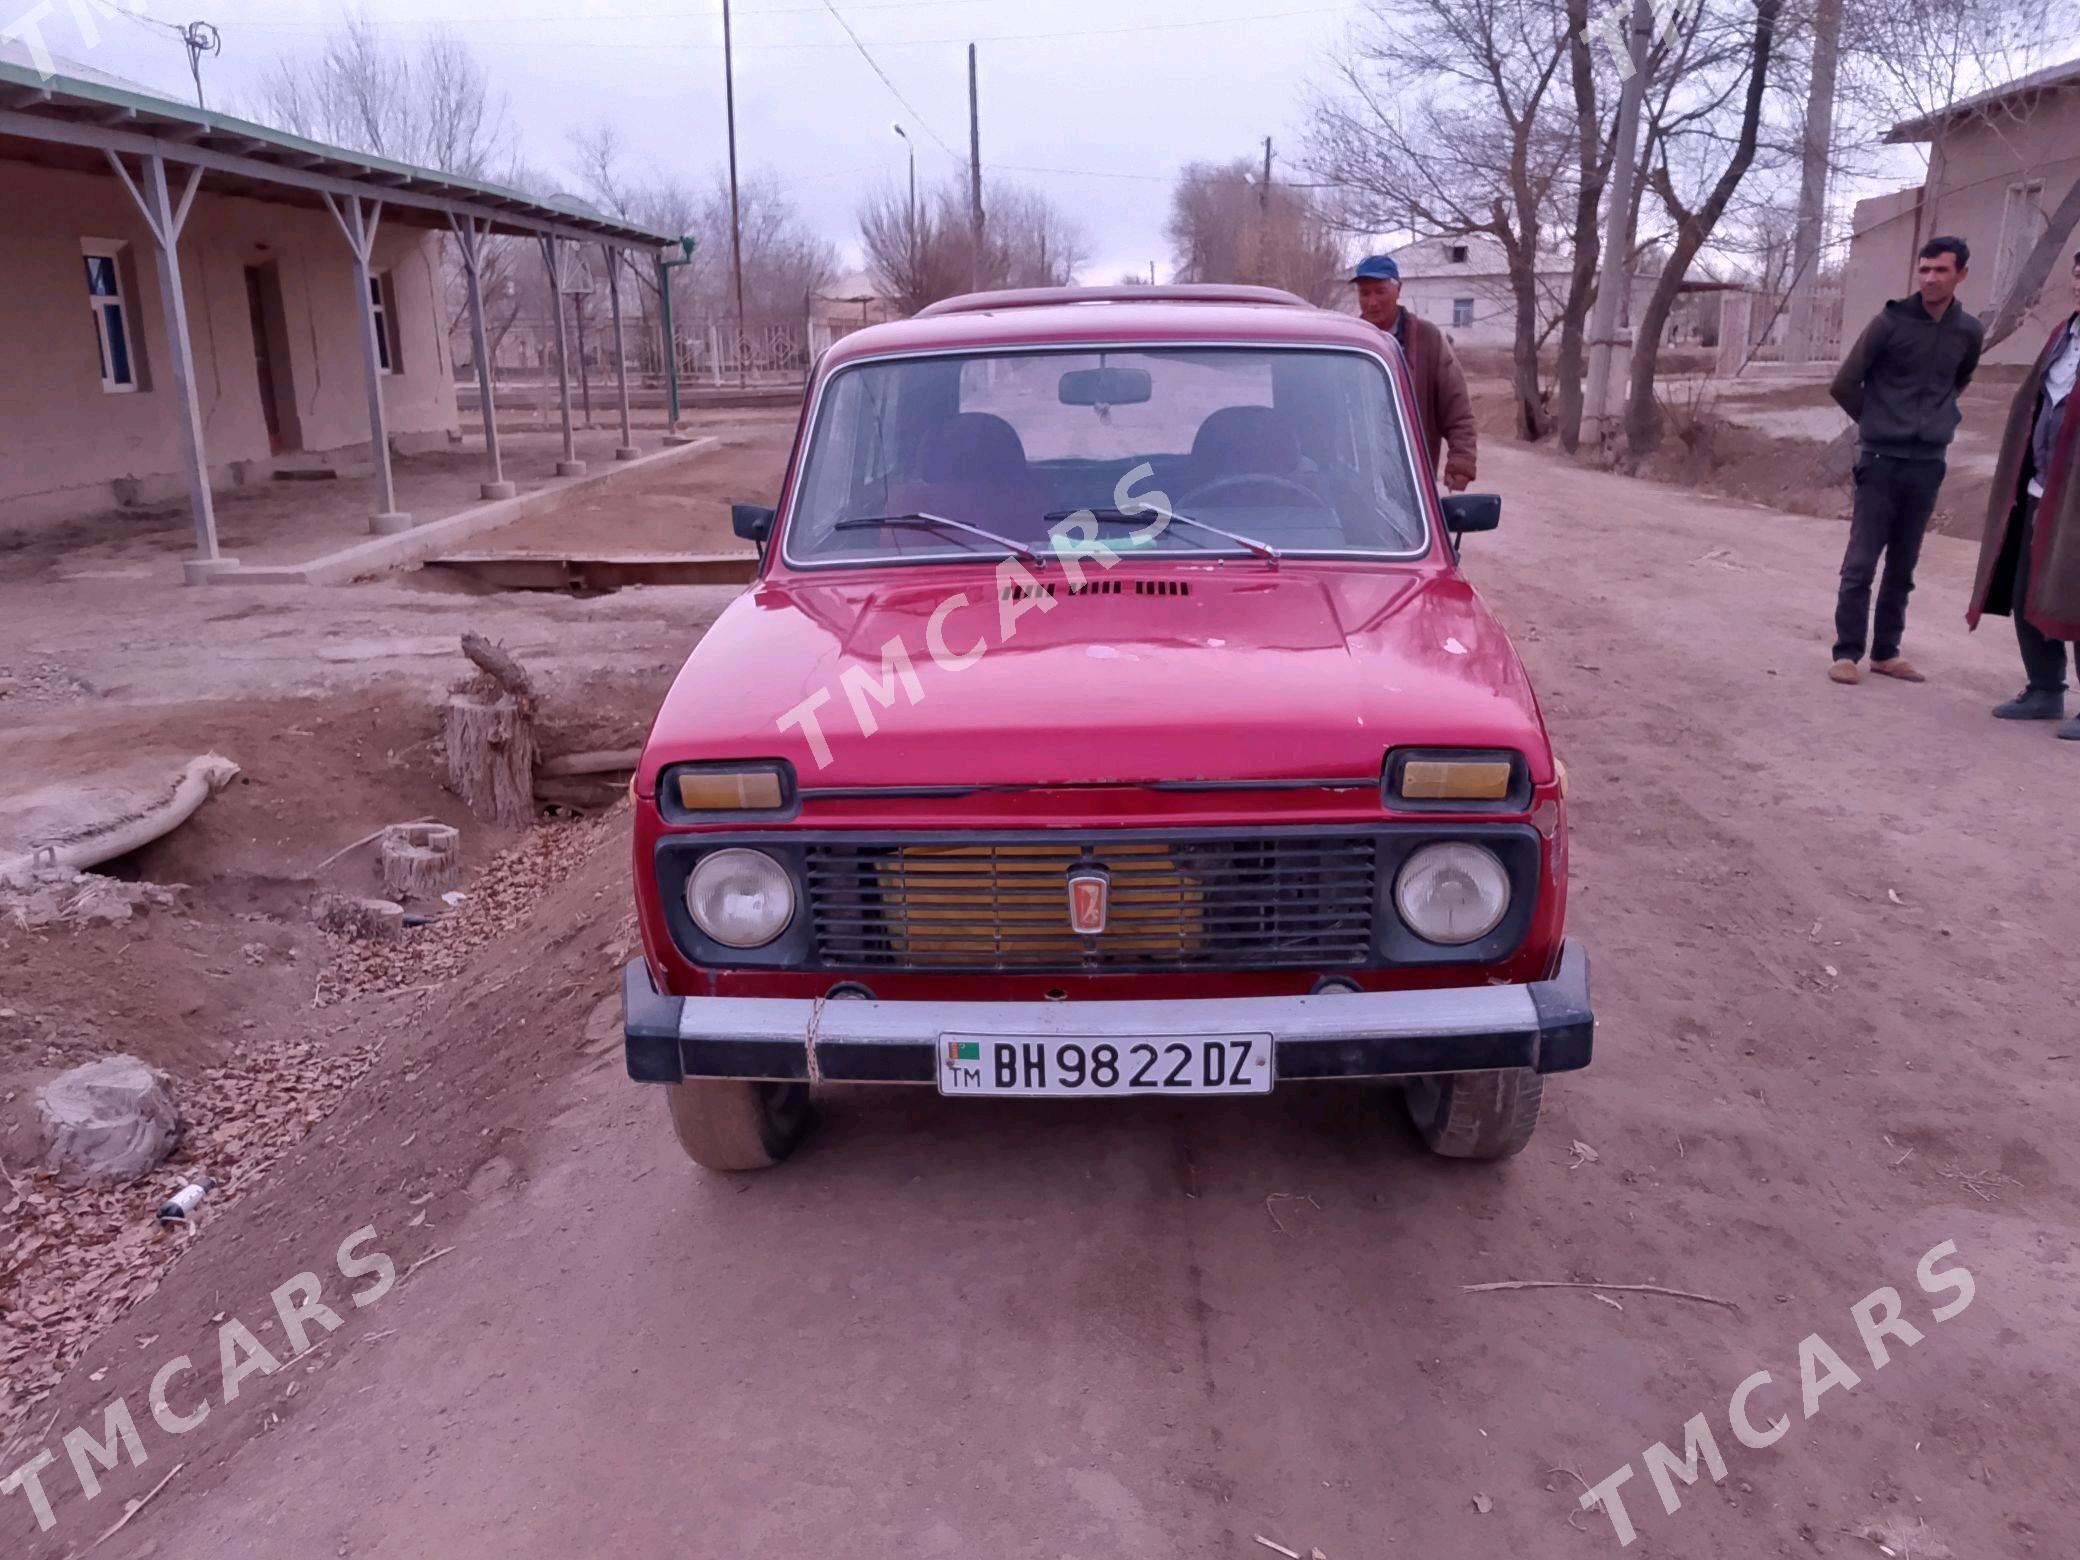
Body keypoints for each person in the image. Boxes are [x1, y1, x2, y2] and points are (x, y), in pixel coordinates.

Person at [1826, 235, 1985, 686]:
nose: (1931, 278)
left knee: (1903, 565)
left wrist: (1934, 419)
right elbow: (1844, 383)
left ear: (1961, 275)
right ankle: (1847, 653)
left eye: (1941, 270)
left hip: (1928, 462)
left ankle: (1886, 652)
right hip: (1880, 458)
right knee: (1860, 562)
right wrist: (1880, 422)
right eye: (1925, 269)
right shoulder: (1889, 324)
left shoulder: (1968, 331)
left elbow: (1960, 378)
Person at [1968, 248, 2080, 740]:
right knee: (2026, 591)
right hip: (2040, 488)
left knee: (2074, 595)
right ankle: (2044, 690)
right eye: (2079, 273)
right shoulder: (2063, 337)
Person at [1350, 255, 1477, 491]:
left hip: (1412, 475)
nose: (1372, 302)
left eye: (1380, 291)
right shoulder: (1348, 341)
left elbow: (1457, 408)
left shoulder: (1428, 339)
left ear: (1398, 290)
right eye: (1364, 293)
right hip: (1357, 476)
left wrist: (1462, 461)